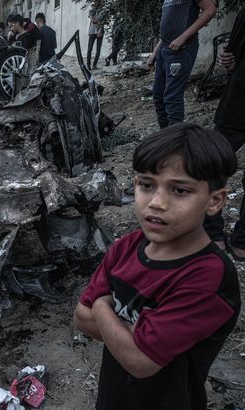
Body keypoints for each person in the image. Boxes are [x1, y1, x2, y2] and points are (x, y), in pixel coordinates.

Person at [74, 123, 240, 409]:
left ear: (214, 201)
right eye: (146, 185)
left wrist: (103, 307)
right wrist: (129, 336)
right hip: (114, 395)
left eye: (179, 190)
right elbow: (80, 318)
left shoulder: (208, 277)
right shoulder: (126, 247)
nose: (157, 203)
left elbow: (140, 361)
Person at [204, 6, 245, 259]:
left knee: (213, 162)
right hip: (239, 97)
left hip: (240, 99)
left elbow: (231, 54)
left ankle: (214, 237)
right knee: (213, 162)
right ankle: (238, 243)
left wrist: (231, 58)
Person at [148, 0, 217, 128]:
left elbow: (210, 9)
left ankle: (175, 137)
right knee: (158, 95)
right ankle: (165, 135)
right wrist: (155, 51)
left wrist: (183, 37)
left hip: (181, 49)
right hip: (164, 49)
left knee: (172, 96)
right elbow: (170, 25)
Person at [87, 1, 105, 70]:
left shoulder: (103, 11)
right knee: (89, 49)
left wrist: (100, 29)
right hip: (92, 32)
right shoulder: (92, 10)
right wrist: (99, 23)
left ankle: (94, 65)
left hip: (100, 32)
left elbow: (104, 21)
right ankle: (88, 65)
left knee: (98, 49)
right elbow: (92, 20)